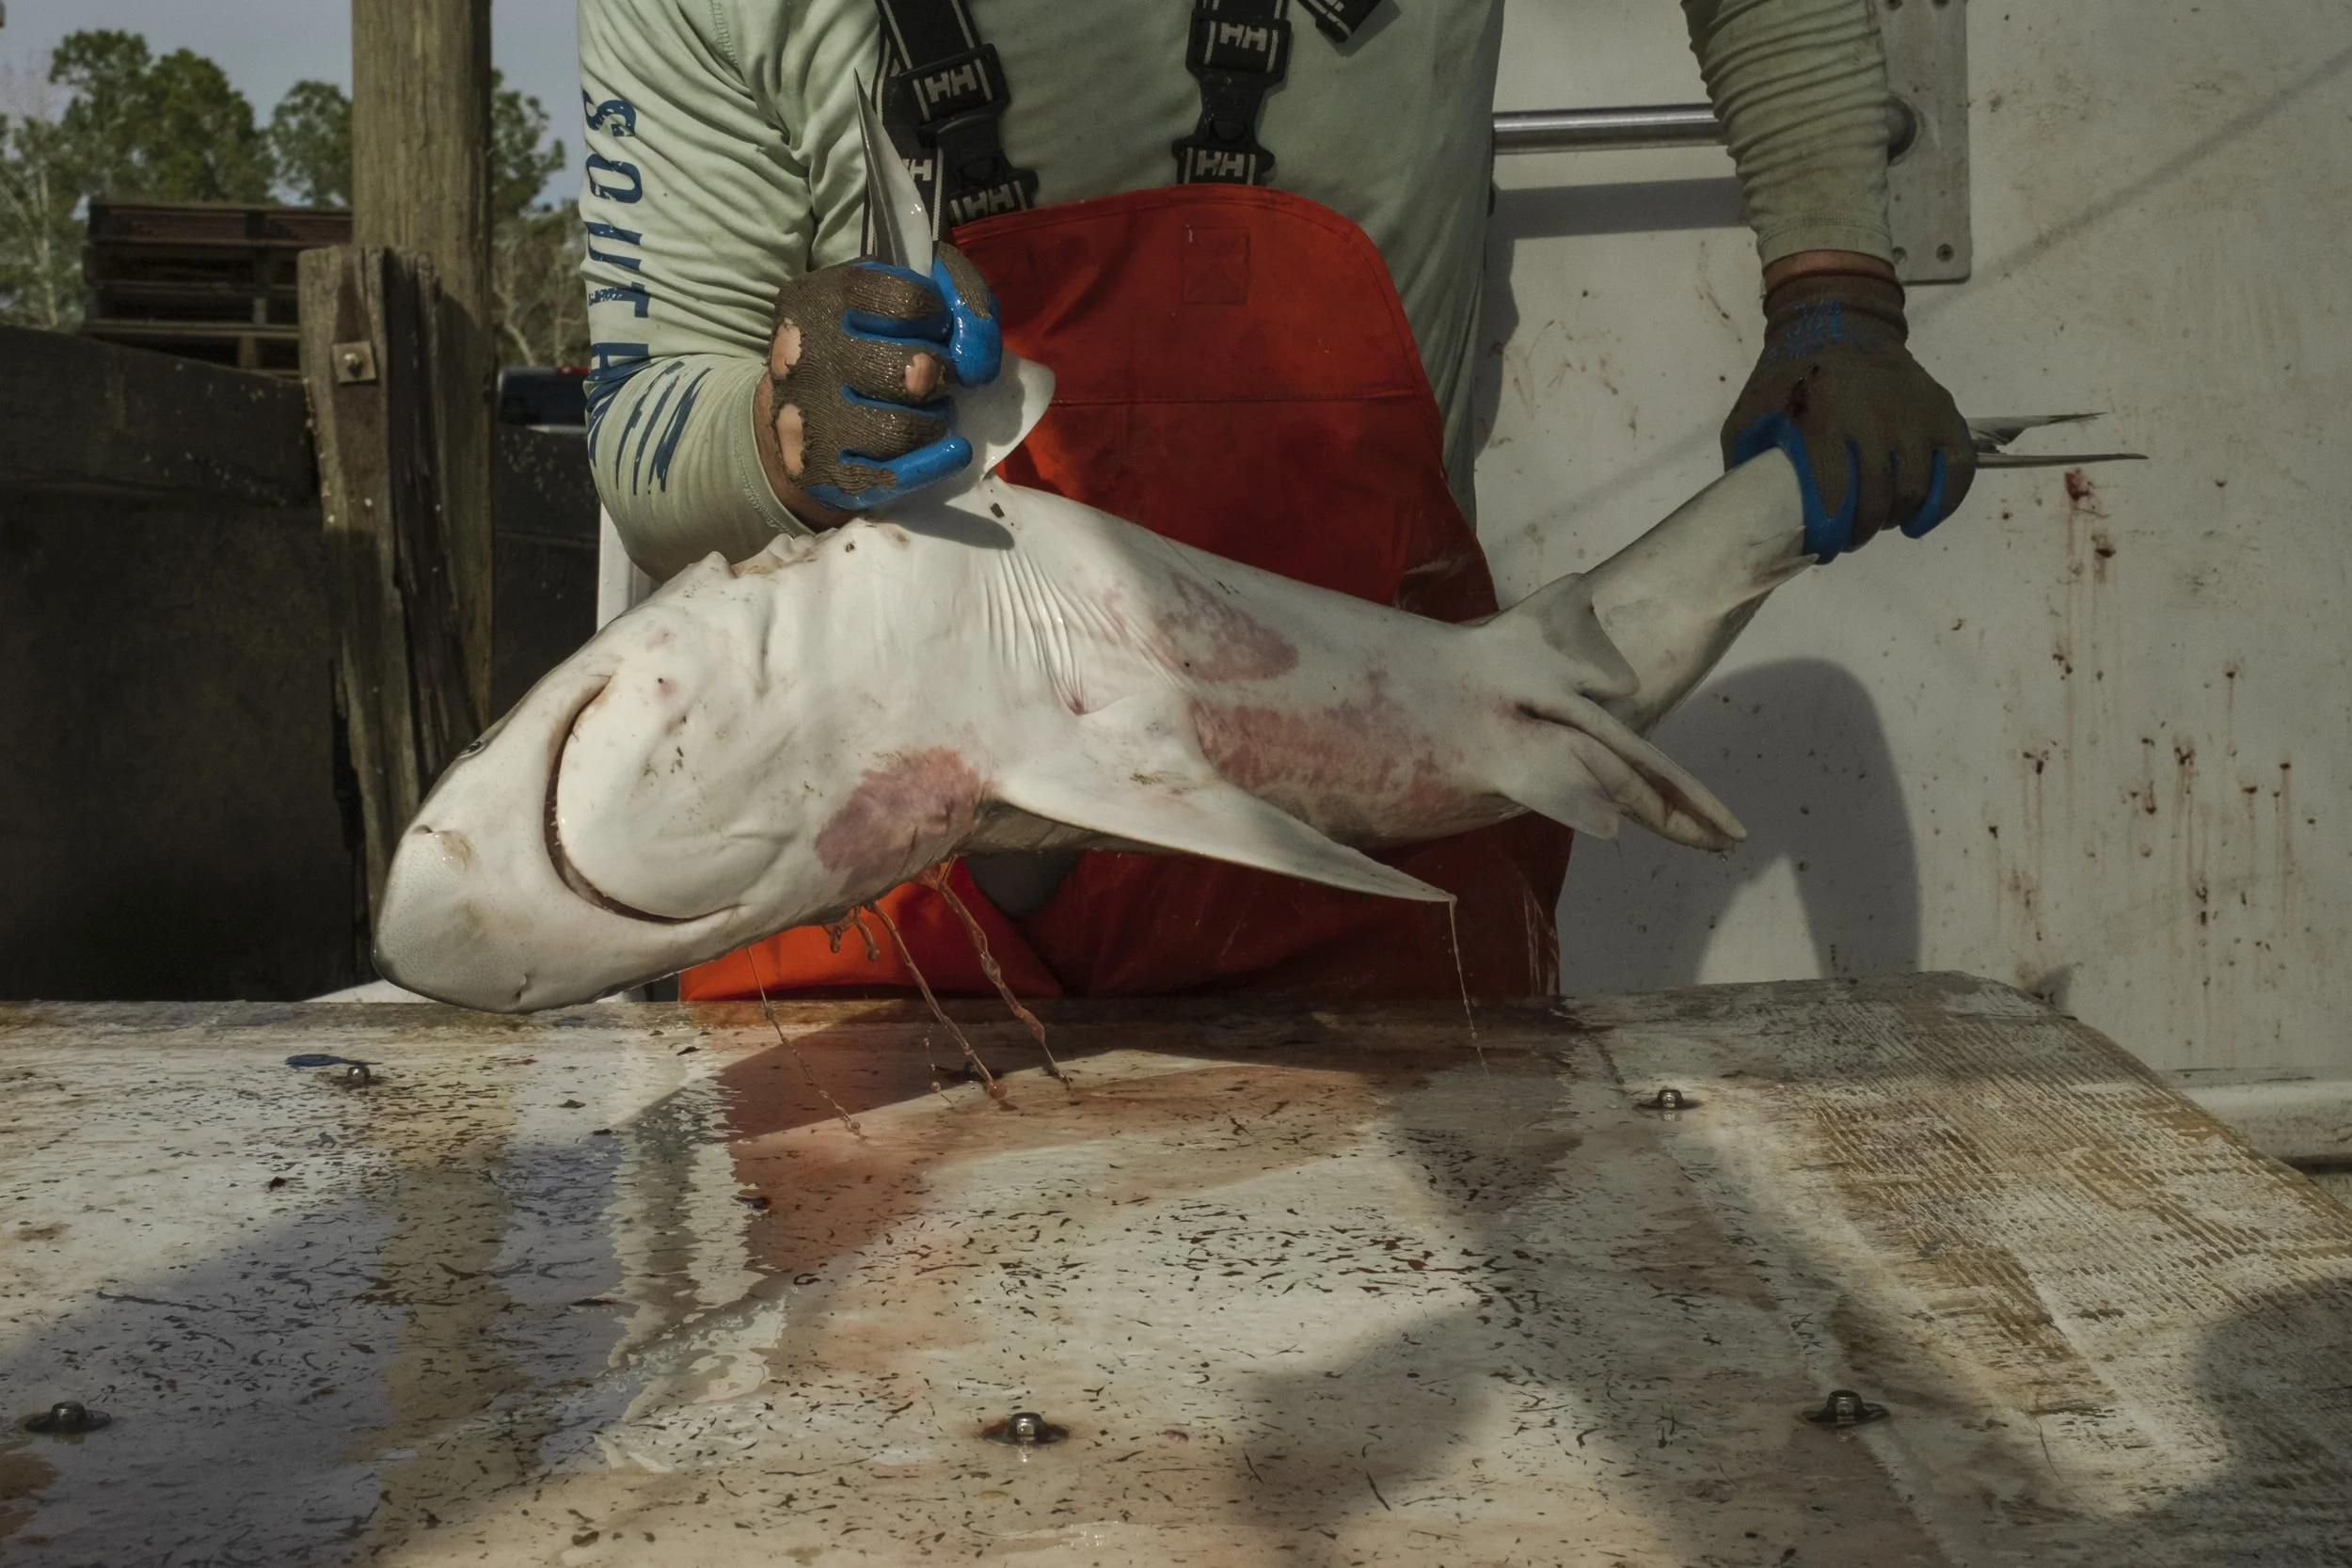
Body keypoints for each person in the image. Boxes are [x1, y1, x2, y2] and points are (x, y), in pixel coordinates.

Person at [574, 0, 1974, 1003]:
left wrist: (1833, 284)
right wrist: (774, 431)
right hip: (884, 939)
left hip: (1362, 860)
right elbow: (646, 433)